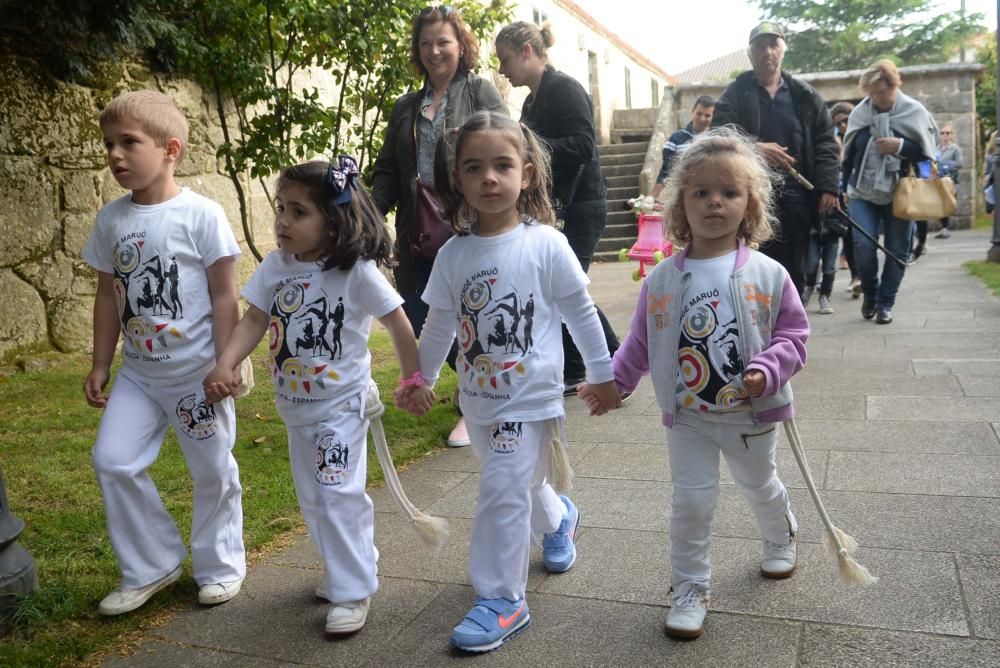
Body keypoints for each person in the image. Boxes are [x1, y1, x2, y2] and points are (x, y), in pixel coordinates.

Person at [396, 111, 621, 653]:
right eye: (474, 168)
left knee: (500, 488)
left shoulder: (546, 244)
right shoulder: (453, 254)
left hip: (531, 399)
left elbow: (580, 313)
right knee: (516, 479)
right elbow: (440, 326)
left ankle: (502, 597)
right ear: (458, 180)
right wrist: (420, 377)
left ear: (527, 172)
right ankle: (559, 516)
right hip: (479, 400)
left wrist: (603, 374)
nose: (489, 178)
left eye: (502, 165)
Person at [581, 127, 809, 640]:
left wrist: (767, 370)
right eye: (700, 192)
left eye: (729, 192)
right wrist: (614, 383)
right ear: (680, 203)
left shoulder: (768, 274)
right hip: (688, 418)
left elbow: (795, 335)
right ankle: (689, 586)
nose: (714, 202)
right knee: (691, 502)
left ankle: (780, 537)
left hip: (752, 414)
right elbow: (640, 342)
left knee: (759, 485)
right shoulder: (662, 278)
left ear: (749, 203)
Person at [204, 158, 422, 635]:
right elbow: (254, 320)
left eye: (298, 212)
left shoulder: (354, 271)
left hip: (340, 408)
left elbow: (398, 323)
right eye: (280, 208)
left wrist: (412, 378)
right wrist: (226, 361)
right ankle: (352, 564)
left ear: (334, 219)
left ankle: (352, 588)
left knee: (336, 492)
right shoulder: (276, 267)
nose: (282, 221)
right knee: (315, 498)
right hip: (295, 409)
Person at [82, 90, 246, 616]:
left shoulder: (201, 215)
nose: (115, 154)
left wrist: (226, 363)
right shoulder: (111, 221)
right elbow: (109, 297)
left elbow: (226, 295)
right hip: (140, 376)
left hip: (199, 375)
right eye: (109, 144)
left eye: (129, 142)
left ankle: (220, 566)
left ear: (170, 148)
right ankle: (151, 564)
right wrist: (101, 363)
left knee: (212, 470)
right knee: (112, 459)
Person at [372, 5, 506, 448]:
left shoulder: (480, 92)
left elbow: (507, 147)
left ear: (460, 45)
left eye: (443, 42)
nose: (434, 51)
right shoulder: (406, 107)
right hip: (417, 229)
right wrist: (369, 216)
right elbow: (388, 169)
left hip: (468, 222)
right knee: (417, 311)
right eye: (426, 43)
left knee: (475, 316)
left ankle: (474, 405)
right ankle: (473, 384)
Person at [494, 21, 620, 396]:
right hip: (563, 204)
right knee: (555, 287)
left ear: (527, 52)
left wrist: (529, 146)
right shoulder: (534, 99)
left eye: (505, 60)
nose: (502, 70)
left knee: (565, 288)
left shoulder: (563, 88)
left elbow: (584, 145)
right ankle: (582, 367)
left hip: (582, 204)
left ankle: (612, 363)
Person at [711, 21, 840, 295]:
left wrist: (829, 187)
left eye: (773, 45)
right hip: (749, 196)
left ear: (782, 50)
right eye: (760, 46)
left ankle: (791, 327)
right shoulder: (735, 94)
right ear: (750, 53)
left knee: (795, 267)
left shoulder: (805, 96)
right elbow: (718, 136)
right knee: (752, 264)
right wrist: (754, 148)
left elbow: (825, 142)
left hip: (797, 196)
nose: (767, 51)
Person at [842, 60, 937, 325]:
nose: (876, 98)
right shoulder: (860, 113)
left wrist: (901, 145)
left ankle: (885, 303)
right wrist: (841, 187)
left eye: (882, 92)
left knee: (897, 249)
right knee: (863, 244)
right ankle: (870, 293)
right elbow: (848, 153)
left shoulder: (914, 112)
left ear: (894, 86)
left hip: (900, 191)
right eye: (871, 93)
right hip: (862, 190)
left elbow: (927, 153)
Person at [650, 95, 716, 199]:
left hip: (709, 197)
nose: (702, 118)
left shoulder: (716, 141)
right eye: (699, 113)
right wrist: (652, 196)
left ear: (712, 117)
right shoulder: (676, 138)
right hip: (681, 197)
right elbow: (666, 170)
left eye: (707, 115)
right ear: (692, 112)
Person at [831, 101, 862, 297]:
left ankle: (866, 276)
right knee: (849, 237)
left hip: (862, 193)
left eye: (845, 120)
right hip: (842, 193)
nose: (843, 125)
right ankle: (856, 277)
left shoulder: (861, 136)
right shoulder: (834, 141)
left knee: (863, 239)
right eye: (838, 123)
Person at [933, 125, 962, 239]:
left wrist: (945, 165)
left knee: (946, 202)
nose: (945, 135)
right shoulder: (936, 148)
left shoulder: (955, 149)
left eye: (948, 133)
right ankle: (942, 227)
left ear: (952, 135)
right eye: (943, 133)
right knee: (938, 203)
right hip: (937, 179)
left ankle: (945, 228)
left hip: (949, 179)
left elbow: (959, 163)